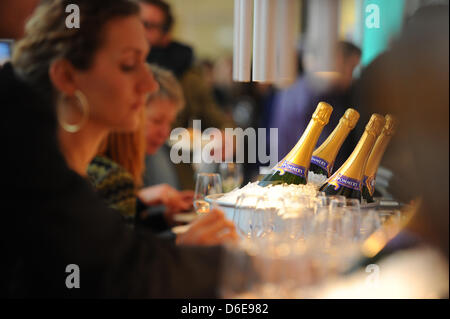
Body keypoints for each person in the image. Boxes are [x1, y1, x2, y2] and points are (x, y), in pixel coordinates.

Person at [1, 0, 235, 298]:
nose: (149, 83)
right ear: (67, 76)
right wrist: (261, 264)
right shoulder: (30, 165)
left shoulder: (56, 162)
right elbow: (117, 272)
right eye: (128, 65)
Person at [271, 41, 361, 169]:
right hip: (303, 178)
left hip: (284, 172)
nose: (351, 77)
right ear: (339, 59)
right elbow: (325, 157)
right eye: (352, 68)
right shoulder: (319, 95)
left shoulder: (297, 86)